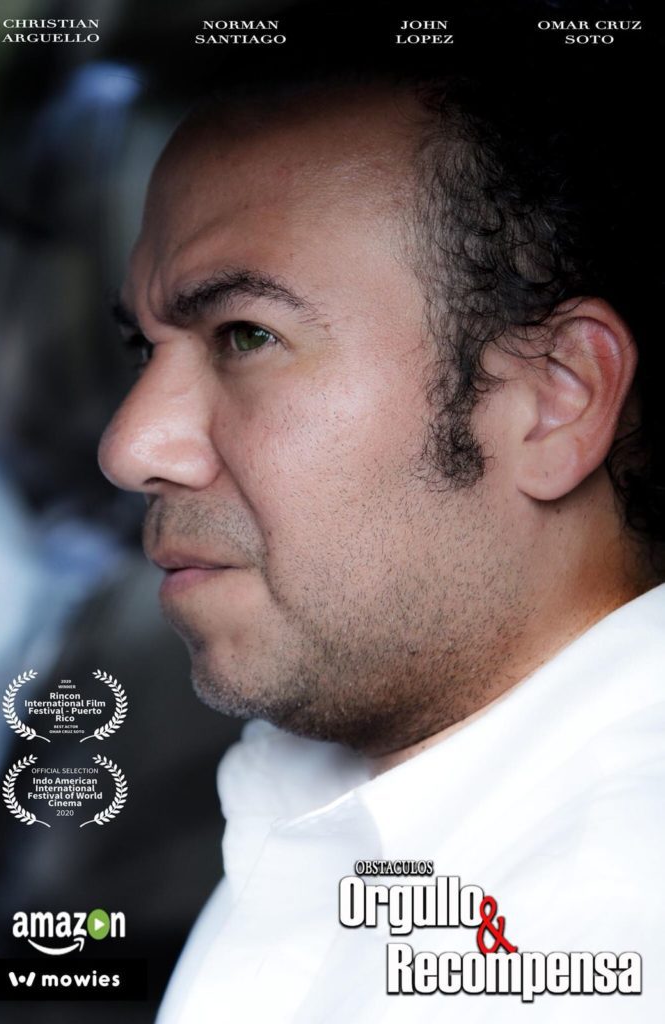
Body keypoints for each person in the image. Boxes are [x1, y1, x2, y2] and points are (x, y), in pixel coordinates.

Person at [98, 38, 665, 1023]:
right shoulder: (340, 813)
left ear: (553, 399)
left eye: (245, 335)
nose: (130, 445)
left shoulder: (603, 923)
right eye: (143, 349)